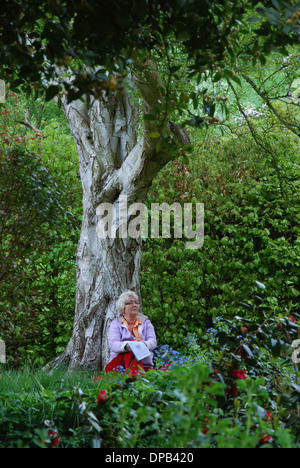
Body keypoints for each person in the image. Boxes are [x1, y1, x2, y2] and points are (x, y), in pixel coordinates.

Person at [105, 290, 157, 374]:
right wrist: (128, 346)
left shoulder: (146, 322)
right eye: (130, 303)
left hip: (144, 363)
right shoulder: (115, 324)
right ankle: (134, 378)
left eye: (136, 302)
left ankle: (137, 374)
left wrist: (144, 344)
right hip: (120, 364)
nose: (134, 305)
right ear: (122, 309)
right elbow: (113, 344)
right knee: (132, 348)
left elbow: (153, 341)